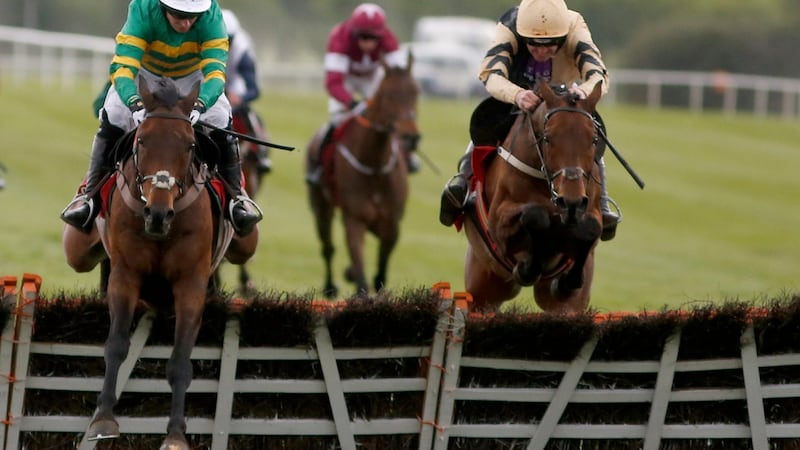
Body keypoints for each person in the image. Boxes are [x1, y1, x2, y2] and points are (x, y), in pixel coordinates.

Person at [61, 0, 262, 236]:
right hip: (145, 73)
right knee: (114, 113)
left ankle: (236, 199)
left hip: (192, 75)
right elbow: (124, 67)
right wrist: (133, 102)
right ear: (163, 7)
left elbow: (215, 74)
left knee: (220, 116)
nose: (186, 23)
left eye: (192, 16)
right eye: (179, 15)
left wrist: (202, 103)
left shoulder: (211, 15)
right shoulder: (142, 9)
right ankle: (89, 198)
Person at [438, 0, 620, 241]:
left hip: (563, 94)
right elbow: (491, 74)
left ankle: (603, 202)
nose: (542, 52)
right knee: (487, 120)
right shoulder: (510, 25)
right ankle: (462, 181)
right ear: (523, 34)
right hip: (517, 89)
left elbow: (598, 74)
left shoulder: (574, 24)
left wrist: (584, 92)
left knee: (587, 132)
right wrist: (517, 95)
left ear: (562, 35)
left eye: (550, 45)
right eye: (533, 45)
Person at [307, 2, 417, 183]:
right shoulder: (339, 39)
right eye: (363, 37)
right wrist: (353, 104)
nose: (367, 43)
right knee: (336, 121)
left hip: (373, 77)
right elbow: (334, 83)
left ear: (381, 35)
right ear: (354, 32)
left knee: (390, 118)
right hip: (345, 79)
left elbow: (398, 78)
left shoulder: (389, 40)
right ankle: (319, 167)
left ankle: (407, 156)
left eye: (373, 38)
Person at [221, 8, 272, 174]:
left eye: (229, 40)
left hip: (234, 83)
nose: (225, 45)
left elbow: (254, 90)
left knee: (248, 115)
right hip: (208, 80)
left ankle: (261, 154)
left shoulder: (243, 53)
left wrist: (241, 98)